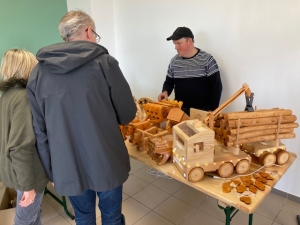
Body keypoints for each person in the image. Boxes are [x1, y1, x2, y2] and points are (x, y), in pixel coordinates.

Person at [26, 10, 136, 225]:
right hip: (106, 159)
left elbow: (39, 130)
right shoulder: (105, 63)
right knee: (112, 216)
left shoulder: (38, 73)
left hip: (65, 163)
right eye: (95, 34)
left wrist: (51, 170)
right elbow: (127, 114)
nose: (95, 38)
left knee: (83, 217)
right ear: (88, 31)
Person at [0, 49, 49, 225]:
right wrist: (28, 186)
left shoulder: (6, 96)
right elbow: (20, 146)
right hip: (28, 174)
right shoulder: (23, 98)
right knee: (25, 219)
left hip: (15, 171)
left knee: (33, 216)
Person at [158, 27, 222, 116]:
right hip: (179, 111)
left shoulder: (207, 60)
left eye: (178, 43)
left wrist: (212, 110)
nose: (175, 47)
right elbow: (169, 82)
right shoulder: (174, 62)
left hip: (202, 112)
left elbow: (216, 87)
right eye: (174, 44)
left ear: (190, 41)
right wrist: (165, 92)